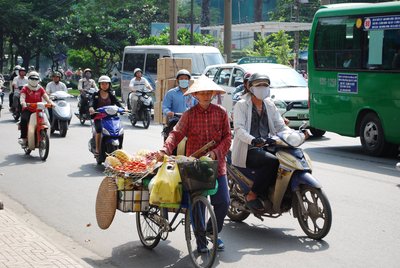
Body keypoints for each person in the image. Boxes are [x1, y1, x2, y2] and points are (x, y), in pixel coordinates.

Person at [158, 75, 231, 251]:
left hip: (217, 165)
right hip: (194, 166)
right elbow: (176, 134)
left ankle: (212, 232)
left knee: (223, 202)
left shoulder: (221, 112)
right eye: (202, 92)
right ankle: (200, 242)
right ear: (196, 95)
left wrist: (216, 152)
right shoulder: (189, 115)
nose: (206, 95)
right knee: (197, 205)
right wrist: (165, 149)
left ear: (213, 93)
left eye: (209, 92)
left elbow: (228, 137)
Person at [231, 72, 292, 212]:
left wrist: (293, 134)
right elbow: (239, 129)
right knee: (272, 162)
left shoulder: (269, 104)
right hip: (249, 148)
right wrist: (253, 140)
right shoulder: (241, 105)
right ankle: (252, 195)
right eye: (259, 85)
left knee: (287, 159)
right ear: (250, 87)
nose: (262, 87)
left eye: (265, 85)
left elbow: (280, 125)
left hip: (268, 144)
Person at [89, 75, 124, 156]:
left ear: (109, 85)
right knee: (99, 130)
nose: (104, 86)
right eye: (102, 84)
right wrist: (91, 108)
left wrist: (123, 109)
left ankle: (121, 147)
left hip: (111, 117)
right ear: (99, 85)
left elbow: (117, 102)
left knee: (120, 130)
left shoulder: (111, 94)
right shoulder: (96, 94)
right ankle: (97, 149)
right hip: (99, 116)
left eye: (106, 84)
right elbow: (91, 102)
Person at [18, 71, 54, 146]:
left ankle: (45, 136)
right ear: (29, 79)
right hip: (28, 108)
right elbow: (22, 97)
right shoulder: (25, 87)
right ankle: (23, 138)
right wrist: (23, 103)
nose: (34, 80)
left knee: (47, 119)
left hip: (39, 109)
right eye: (32, 78)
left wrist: (51, 103)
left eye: (36, 79)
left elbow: (46, 97)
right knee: (24, 119)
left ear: (38, 79)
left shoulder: (40, 88)